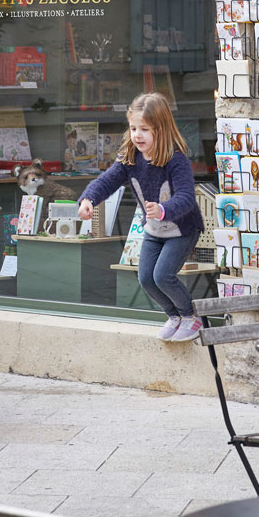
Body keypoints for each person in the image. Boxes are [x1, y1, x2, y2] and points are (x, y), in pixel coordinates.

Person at [78, 92, 205, 342]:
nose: (137, 135)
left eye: (144, 129)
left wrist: (163, 209)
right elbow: (107, 181)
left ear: (161, 129)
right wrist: (88, 199)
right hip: (154, 231)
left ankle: (191, 316)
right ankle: (174, 316)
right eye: (133, 128)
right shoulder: (130, 158)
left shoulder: (175, 160)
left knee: (163, 276)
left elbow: (187, 197)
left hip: (182, 229)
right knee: (146, 278)